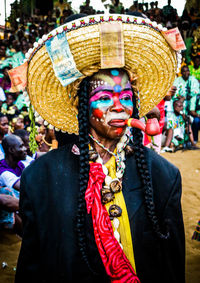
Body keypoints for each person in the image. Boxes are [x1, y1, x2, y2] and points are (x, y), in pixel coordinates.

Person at [15, 14, 185, 283]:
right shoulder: (40, 179)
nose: (119, 106)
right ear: (81, 106)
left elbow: (172, 268)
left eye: (126, 97)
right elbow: (31, 268)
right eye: (105, 97)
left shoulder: (164, 176)